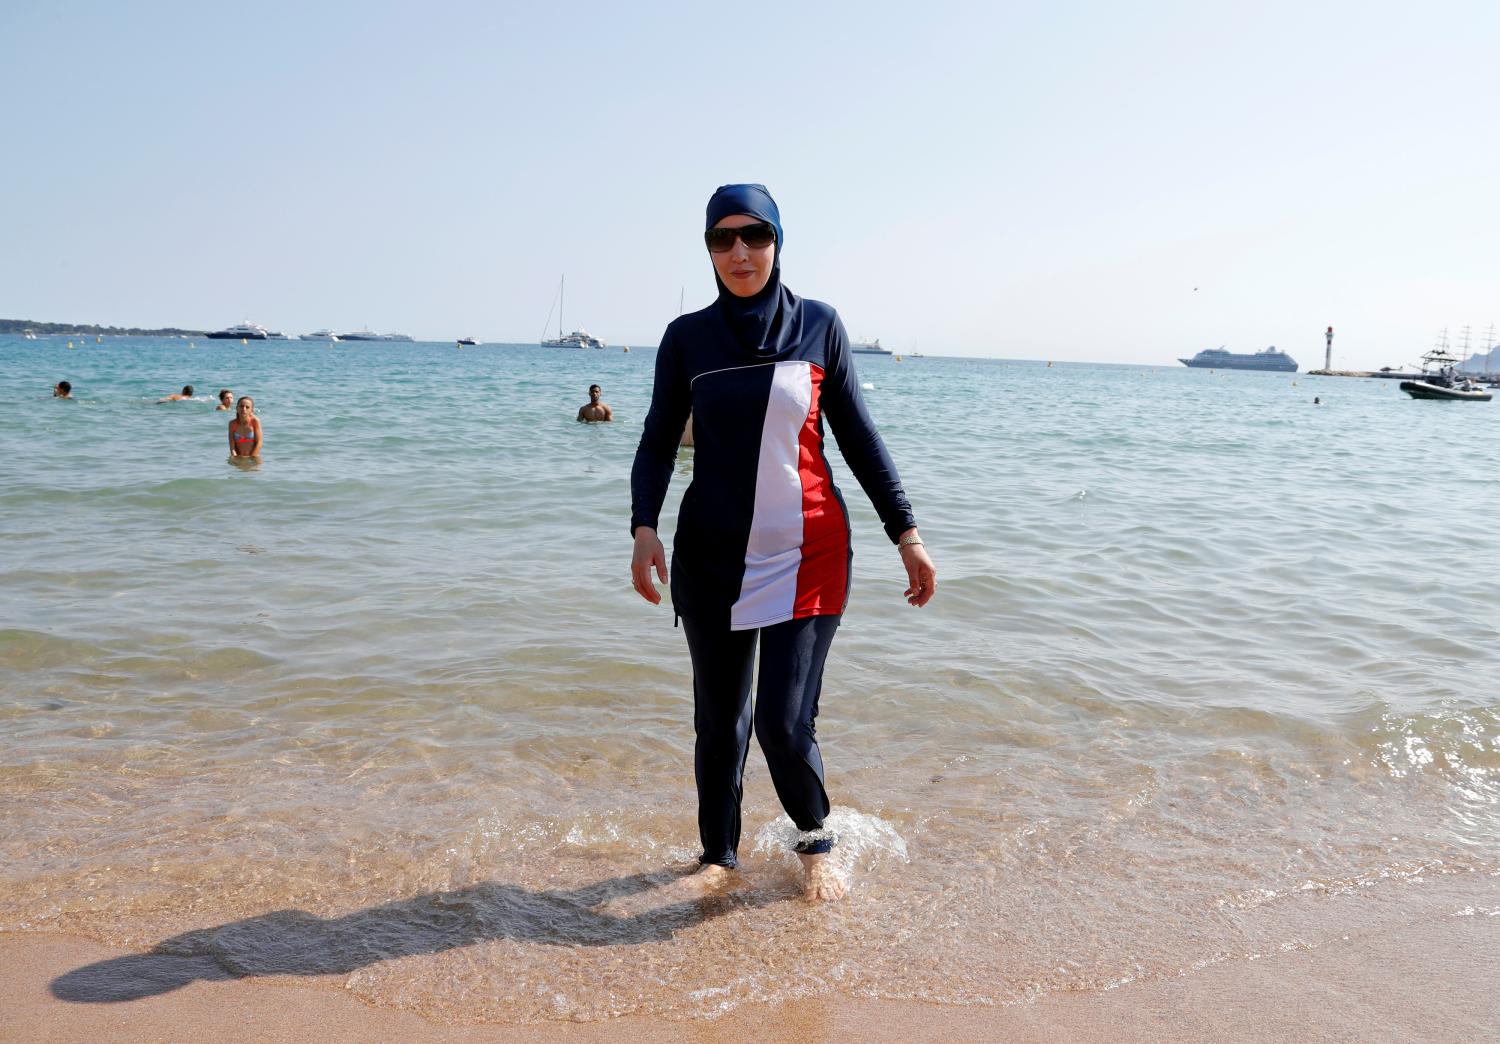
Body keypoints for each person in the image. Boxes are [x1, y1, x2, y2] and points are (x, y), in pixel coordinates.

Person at [630, 184, 936, 902]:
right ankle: (717, 857)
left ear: (778, 241)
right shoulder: (687, 340)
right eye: (722, 239)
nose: (739, 252)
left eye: (755, 236)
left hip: (811, 553)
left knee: (782, 720)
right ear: (708, 249)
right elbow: (653, 441)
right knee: (719, 720)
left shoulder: (819, 327)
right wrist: (644, 524)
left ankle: (815, 838)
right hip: (712, 557)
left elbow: (858, 437)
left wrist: (907, 534)